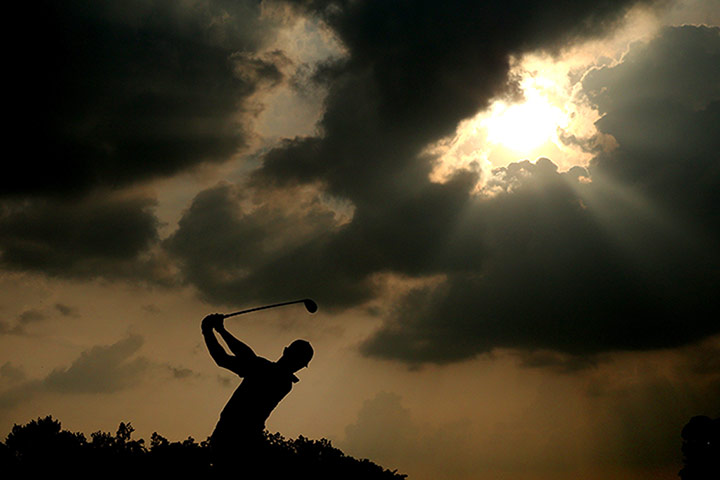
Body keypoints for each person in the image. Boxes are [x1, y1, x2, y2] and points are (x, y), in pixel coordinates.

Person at [201, 313, 313, 473]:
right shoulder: (278, 378)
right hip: (245, 440)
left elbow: (236, 356)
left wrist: (213, 330)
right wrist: (216, 330)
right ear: (302, 366)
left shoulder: (274, 376)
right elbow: (232, 357)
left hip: (231, 437)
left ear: (285, 351)